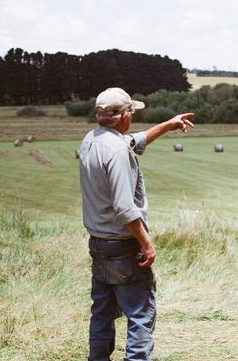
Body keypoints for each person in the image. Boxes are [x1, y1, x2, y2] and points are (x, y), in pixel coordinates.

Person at [78, 87, 194, 361]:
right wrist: (146, 243)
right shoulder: (117, 151)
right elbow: (125, 207)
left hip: (99, 244)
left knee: (102, 314)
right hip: (123, 247)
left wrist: (168, 125)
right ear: (122, 116)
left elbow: (135, 141)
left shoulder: (92, 140)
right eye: (131, 110)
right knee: (141, 316)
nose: (132, 115)